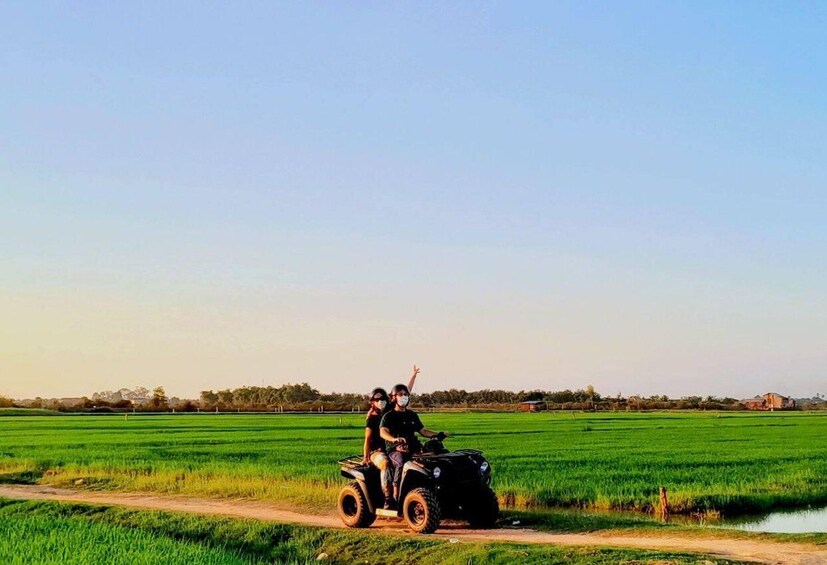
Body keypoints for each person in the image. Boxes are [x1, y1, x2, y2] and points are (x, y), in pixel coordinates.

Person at [362, 365, 420, 509]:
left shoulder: (389, 410)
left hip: (393, 446)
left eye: (383, 398)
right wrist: (365, 457)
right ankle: (388, 497)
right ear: (372, 402)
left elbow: (405, 391)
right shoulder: (372, 418)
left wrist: (413, 376)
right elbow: (368, 439)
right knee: (387, 463)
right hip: (377, 451)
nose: (380, 401)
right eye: (377, 399)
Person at [380, 383, 447, 506]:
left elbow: (423, 431)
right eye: (400, 394)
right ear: (394, 397)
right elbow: (383, 432)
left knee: (431, 460)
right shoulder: (388, 416)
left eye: (405, 394)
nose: (403, 397)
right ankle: (394, 497)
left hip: (413, 447)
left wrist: (438, 434)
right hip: (395, 449)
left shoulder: (412, 415)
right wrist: (394, 440)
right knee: (400, 462)